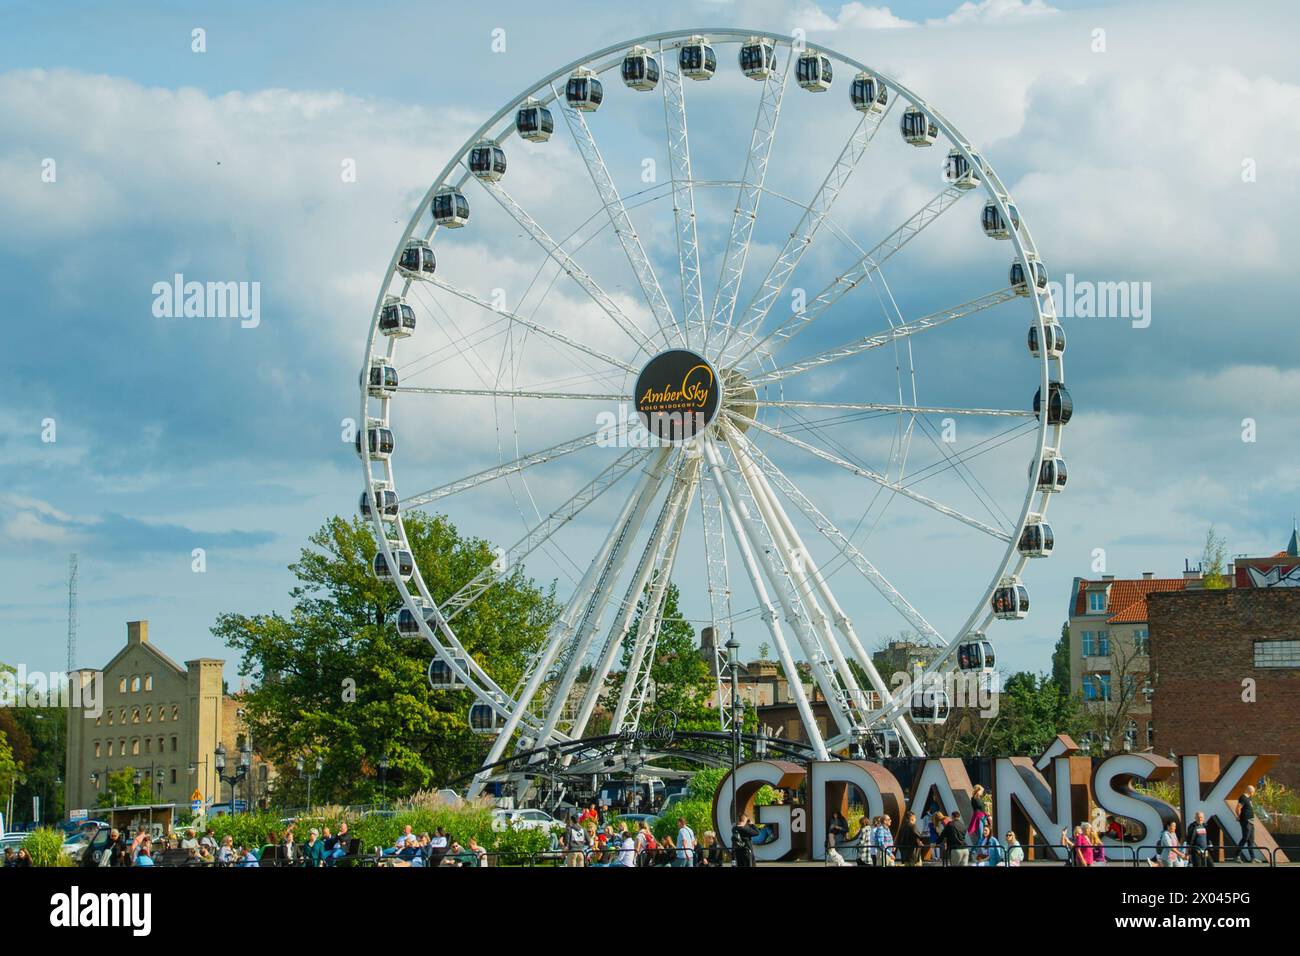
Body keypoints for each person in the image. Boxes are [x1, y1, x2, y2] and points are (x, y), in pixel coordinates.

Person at [1236, 785, 1258, 863]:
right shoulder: (1243, 797)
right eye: (1253, 792)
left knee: (1251, 840)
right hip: (1246, 821)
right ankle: (1237, 856)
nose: (1253, 793)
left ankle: (1253, 858)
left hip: (1251, 821)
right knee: (1245, 838)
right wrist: (1238, 816)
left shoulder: (1249, 798)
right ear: (1251, 791)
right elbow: (1238, 808)